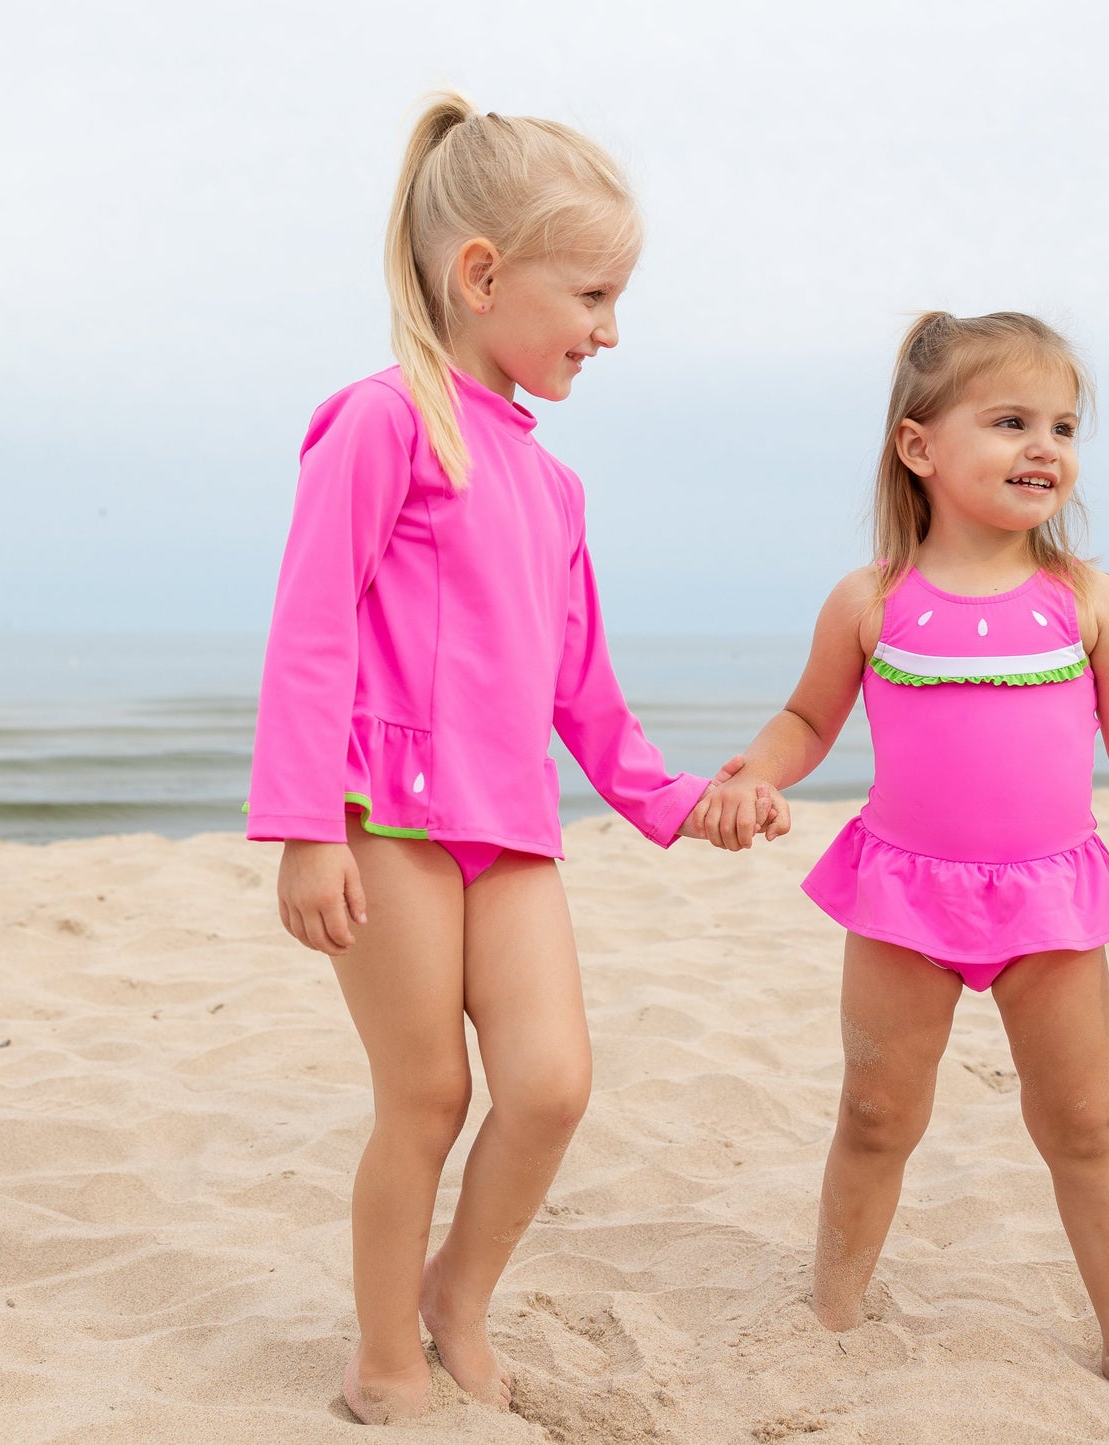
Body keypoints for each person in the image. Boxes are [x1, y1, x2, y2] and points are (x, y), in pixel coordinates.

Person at [246, 92, 769, 1424]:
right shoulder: (379, 421)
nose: (609, 329)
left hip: (512, 827)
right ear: (481, 275)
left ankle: (453, 1299)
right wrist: (306, 825)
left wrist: (677, 801)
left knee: (549, 1084)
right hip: (385, 818)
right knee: (424, 1096)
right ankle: (381, 1353)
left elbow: (580, 690)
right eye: (591, 293)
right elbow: (309, 632)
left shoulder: (555, 486)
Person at [701, 311, 1109, 1393]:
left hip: (1051, 899)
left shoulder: (1084, 600)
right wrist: (754, 771)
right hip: (901, 895)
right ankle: (832, 1309)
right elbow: (806, 720)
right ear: (918, 445)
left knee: (1080, 1120)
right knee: (877, 1110)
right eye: (1009, 420)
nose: (1045, 446)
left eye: (1062, 425)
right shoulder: (870, 600)